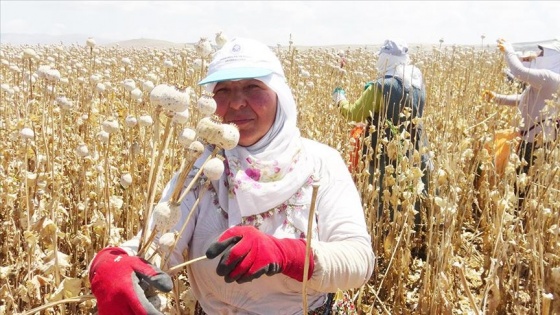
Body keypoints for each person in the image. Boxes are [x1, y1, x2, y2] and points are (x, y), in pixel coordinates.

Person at [88, 37, 375, 315]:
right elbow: (161, 245)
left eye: (253, 87)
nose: (237, 103)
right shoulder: (202, 168)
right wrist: (116, 263)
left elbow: (358, 261)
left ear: (279, 94)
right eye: (223, 90)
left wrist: (286, 254)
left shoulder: (319, 163)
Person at [332, 39, 432, 233]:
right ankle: (414, 236)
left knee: (382, 196)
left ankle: (381, 233)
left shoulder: (380, 86)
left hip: (384, 155)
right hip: (416, 150)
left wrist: (339, 98)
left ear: (385, 59)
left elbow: (354, 114)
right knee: (412, 197)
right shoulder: (416, 81)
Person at [483, 38, 560, 207]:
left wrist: (509, 50)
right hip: (533, 138)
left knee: (521, 185)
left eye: (542, 53)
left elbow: (518, 72)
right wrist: (497, 98)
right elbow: (524, 100)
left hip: (535, 141)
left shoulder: (550, 78)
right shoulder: (550, 79)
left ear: (553, 57)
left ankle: (517, 217)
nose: (537, 55)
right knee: (522, 181)